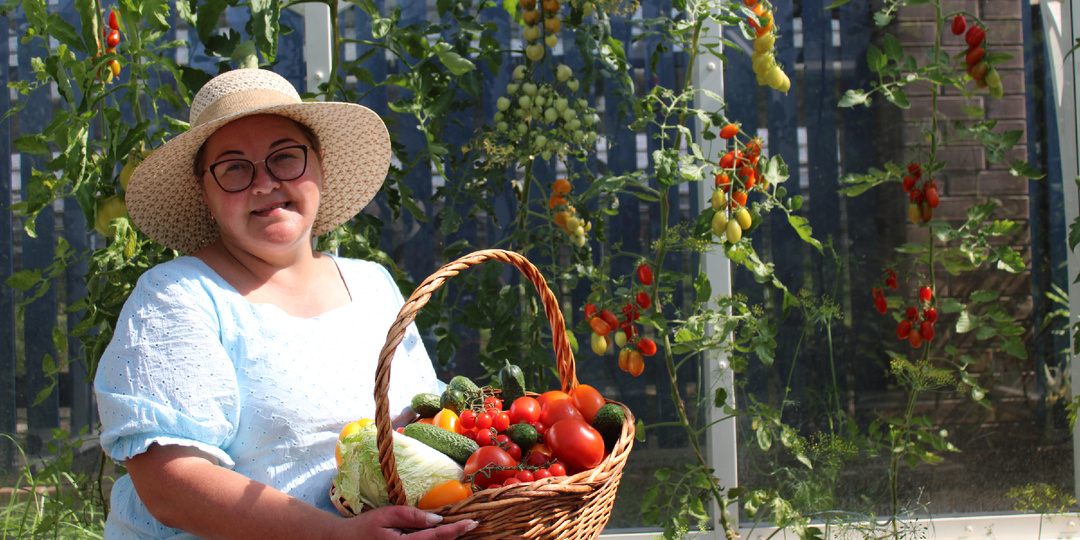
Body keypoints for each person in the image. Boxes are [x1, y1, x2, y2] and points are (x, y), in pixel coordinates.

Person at [94, 68, 478, 539]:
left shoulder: (372, 283)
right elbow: (171, 484)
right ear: (205, 193)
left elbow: (422, 422)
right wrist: (335, 535)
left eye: (285, 158)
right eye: (234, 167)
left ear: (318, 166)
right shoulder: (178, 296)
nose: (264, 183)